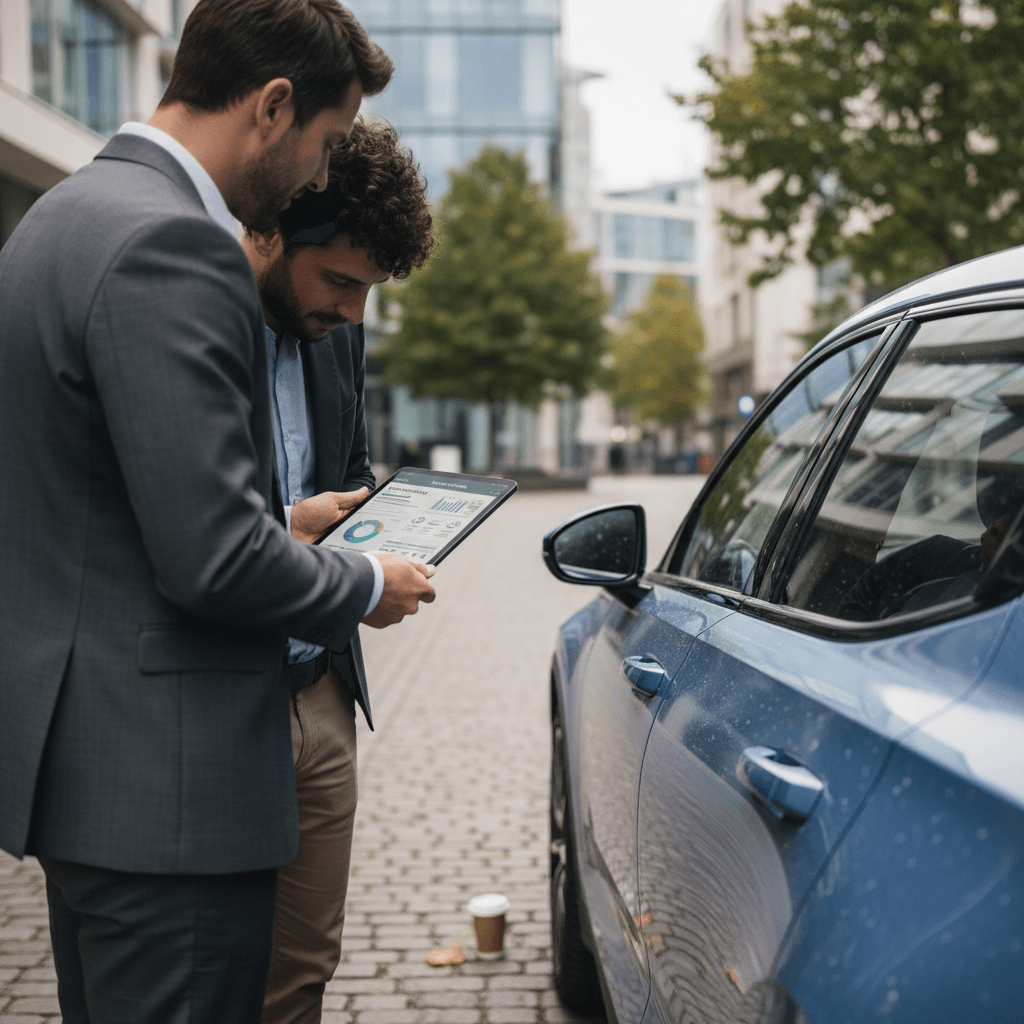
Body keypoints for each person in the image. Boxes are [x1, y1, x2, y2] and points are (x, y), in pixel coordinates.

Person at [0, 1, 435, 1021]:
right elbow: (217, 559)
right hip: (178, 789)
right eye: (324, 143)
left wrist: (283, 528)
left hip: (95, 778)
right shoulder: (176, 244)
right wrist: (363, 580)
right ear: (273, 107)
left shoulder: (57, 218)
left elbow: (103, 505)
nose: (317, 176)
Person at [239, 119, 433, 1024]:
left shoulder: (339, 335)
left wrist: (371, 546)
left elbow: (349, 479)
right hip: (217, 693)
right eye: (342, 282)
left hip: (320, 687)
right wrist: (323, 555)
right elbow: (177, 532)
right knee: (213, 976)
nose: (354, 314)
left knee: (304, 973)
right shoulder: (194, 319)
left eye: (369, 292)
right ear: (274, 234)